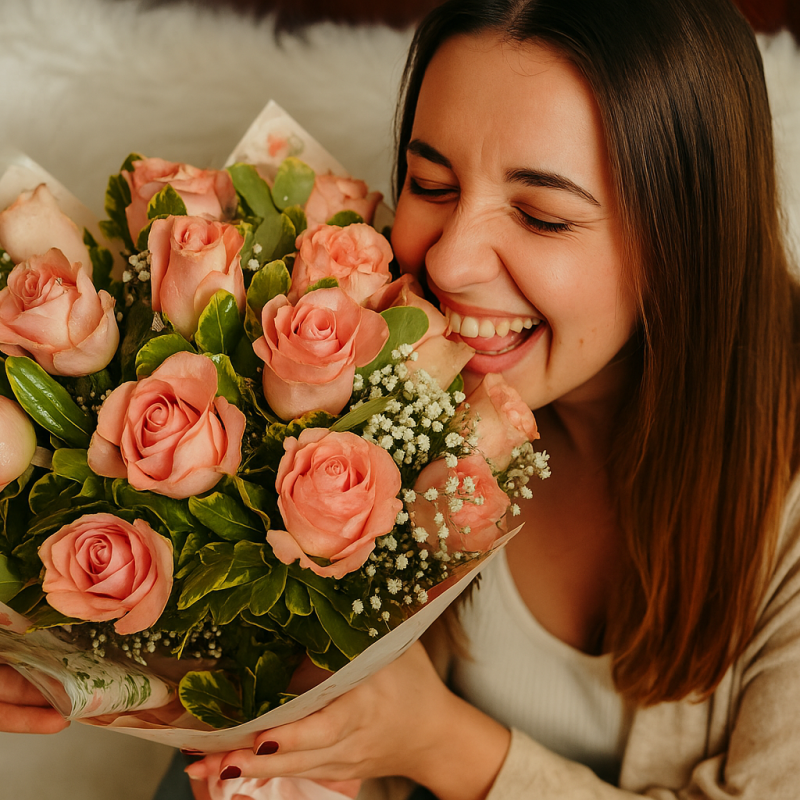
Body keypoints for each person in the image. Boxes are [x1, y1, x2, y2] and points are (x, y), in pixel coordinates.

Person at [5, 0, 800, 798]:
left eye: (541, 215)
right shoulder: (369, 371)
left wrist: (439, 744)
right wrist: (65, 647)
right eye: (431, 182)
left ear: (688, 236)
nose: (449, 263)